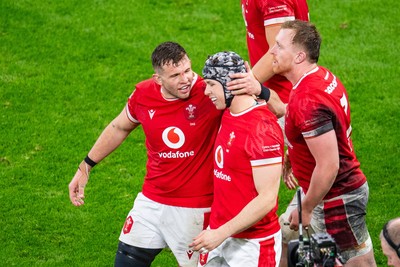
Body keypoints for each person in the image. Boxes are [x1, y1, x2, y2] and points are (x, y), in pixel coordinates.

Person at [68, 42, 280, 267]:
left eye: (188, 70)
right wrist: (86, 166)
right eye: (176, 75)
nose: (187, 79)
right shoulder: (143, 94)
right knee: (126, 260)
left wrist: (259, 88)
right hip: (151, 199)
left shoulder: (211, 92)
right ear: (158, 79)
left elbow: (277, 110)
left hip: (196, 209)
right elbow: (119, 127)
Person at [269, 20, 377, 266]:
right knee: (288, 237)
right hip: (320, 190)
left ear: (299, 56)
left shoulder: (308, 100)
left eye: (278, 46)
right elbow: (306, 135)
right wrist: (291, 157)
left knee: (355, 261)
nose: (272, 51)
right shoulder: (319, 76)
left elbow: (329, 166)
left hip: (336, 198)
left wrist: (307, 207)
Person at [189, 51, 284, 266]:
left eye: (212, 84)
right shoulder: (228, 113)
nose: (206, 92)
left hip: (253, 245)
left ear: (230, 84)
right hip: (220, 233)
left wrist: (220, 233)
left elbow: (267, 198)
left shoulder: (261, 129)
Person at [241, 0, 309, 104]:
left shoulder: (273, 2)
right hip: (271, 90)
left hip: (283, 98)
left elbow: (280, 50)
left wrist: (244, 87)